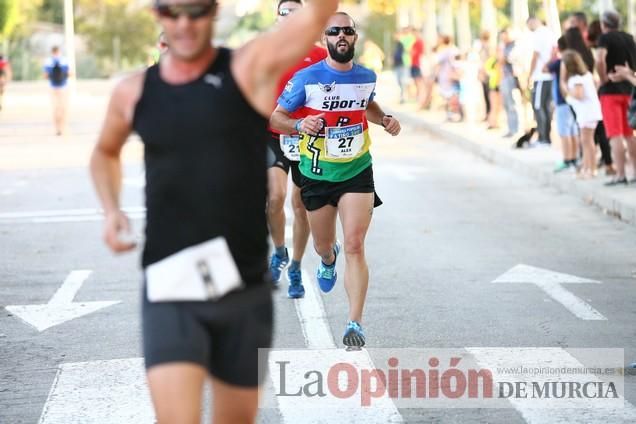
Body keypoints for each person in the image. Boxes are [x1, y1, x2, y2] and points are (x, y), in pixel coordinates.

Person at [89, 0, 339, 422]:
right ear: (158, 16)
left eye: (197, 10)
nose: (184, 22)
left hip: (242, 288)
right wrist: (111, 209)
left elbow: (318, 14)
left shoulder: (246, 70)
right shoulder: (133, 92)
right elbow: (104, 152)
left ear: (214, 12)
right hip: (170, 284)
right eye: (172, 11)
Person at [270, 12, 401, 348]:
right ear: (325, 38)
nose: (341, 36)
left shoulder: (366, 76)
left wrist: (384, 119)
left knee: (356, 244)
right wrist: (300, 125)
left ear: (354, 37)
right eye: (334, 31)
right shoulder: (306, 78)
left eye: (347, 31)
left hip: (357, 170)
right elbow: (277, 116)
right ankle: (328, 259)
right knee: (323, 245)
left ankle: (354, 322)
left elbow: (366, 105)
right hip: (316, 174)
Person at [267, 0, 328, 299]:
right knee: (274, 197)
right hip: (272, 134)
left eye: (296, 12)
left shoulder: (319, 55)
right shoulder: (267, 52)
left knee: (300, 206)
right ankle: (279, 250)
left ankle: (295, 266)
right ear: (277, 18)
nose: (290, 17)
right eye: (284, 12)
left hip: (307, 138)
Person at [595, 10, 636, 186]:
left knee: (615, 134)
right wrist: (628, 74)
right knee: (629, 133)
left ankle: (620, 174)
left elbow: (599, 59)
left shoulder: (605, 38)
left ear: (604, 24)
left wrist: (603, 78)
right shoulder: (628, 38)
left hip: (610, 91)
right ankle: (634, 171)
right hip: (628, 88)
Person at [561, 50, 602, 178]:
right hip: (589, 112)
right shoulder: (587, 75)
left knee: (587, 141)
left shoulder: (576, 79)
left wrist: (567, 88)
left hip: (587, 113)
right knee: (587, 141)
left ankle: (591, 169)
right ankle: (588, 167)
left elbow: (579, 95)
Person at [547, 37, 579, 172]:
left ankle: (567, 159)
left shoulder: (560, 61)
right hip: (572, 101)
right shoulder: (574, 60)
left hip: (562, 100)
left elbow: (545, 68)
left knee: (564, 132)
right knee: (572, 131)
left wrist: (552, 55)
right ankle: (573, 158)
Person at [526, 17, 555, 145]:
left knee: (538, 107)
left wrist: (530, 75)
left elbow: (535, 56)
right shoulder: (550, 32)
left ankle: (544, 138)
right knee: (545, 107)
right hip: (549, 76)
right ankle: (545, 138)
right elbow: (555, 52)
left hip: (541, 77)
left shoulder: (538, 34)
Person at [43, 46, 70, 136]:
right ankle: (63, 128)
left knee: (55, 108)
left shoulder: (48, 61)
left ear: (52, 52)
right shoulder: (64, 60)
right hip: (63, 87)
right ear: (59, 51)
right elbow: (70, 74)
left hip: (52, 87)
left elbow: (45, 76)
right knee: (63, 108)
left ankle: (57, 129)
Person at [499, 28, 519, 137]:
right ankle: (511, 128)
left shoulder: (513, 46)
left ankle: (515, 129)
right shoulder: (504, 47)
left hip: (511, 77)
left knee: (512, 104)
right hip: (504, 77)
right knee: (506, 104)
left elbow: (505, 59)